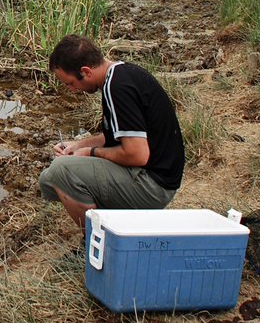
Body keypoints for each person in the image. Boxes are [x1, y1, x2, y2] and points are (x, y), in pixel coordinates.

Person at [38, 35, 185, 231]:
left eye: (70, 83)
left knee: (60, 170)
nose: (72, 90)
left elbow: (137, 154)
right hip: (155, 176)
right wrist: (78, 145)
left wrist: (90, 153)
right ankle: (112, 220)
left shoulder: (117, 88)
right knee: (48, 179)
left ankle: (98, 241)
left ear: (86, 71)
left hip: (154, 186)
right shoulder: (120, 75)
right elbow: (116, 136)